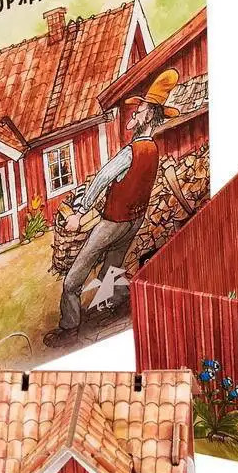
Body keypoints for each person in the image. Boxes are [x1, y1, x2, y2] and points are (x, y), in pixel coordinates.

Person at [44, 69, 180, 347]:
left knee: (74, 278)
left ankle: (69, 328)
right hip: (134, 220)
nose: (134, 113)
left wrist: (79, 213)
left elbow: (102, 179)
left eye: (139, 110)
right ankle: (117, 304)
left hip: (114, 222)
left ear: (148, 116)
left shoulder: (131, 152)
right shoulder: (153, 150)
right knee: (113, 266)